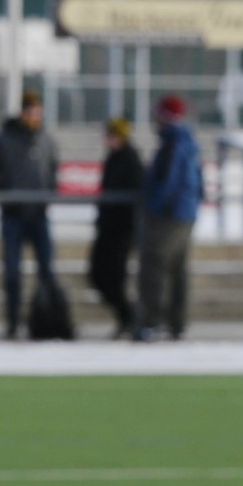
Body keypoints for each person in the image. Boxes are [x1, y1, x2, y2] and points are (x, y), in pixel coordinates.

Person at [0, 89, 61, 340]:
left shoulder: (46, 140)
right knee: (12, 273)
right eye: (29, 112)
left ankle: (46, 321)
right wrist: (5, 188)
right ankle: (13, 323)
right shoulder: (5, 139)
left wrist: (47, 192)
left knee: (46, 271)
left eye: (37, 112)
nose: (33, 117)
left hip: (39, 215)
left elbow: (53, 170)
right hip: (13, 215)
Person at [138, 94, 202, 342]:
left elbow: (169, 182)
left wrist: (155, 205)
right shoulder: (189, 142)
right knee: (178, 270)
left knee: (156, 268)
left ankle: (153, 322)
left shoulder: (173, 143)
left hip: (170, 216)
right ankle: (177, 324)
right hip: (185, 213)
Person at [89, 117, 143, 339]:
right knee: (99, 275)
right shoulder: (115, 158)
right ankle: (127, 317)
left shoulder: (128, 159)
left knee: (112, 278)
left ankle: (129, 318)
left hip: (119, 231)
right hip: (108, 229)